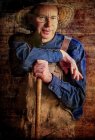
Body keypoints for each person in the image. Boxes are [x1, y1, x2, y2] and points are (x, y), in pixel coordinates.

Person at [9, 0, 86, 139]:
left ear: (59, 19)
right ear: (31, 19)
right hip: (24, 127)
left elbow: (77, 100)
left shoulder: (73, 47)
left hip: (59, 128)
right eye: (42, 17)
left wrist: (50, 78)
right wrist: (60, 55)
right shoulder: (19, 42)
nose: (48, 25)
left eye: (53, 18)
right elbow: (26, 58)